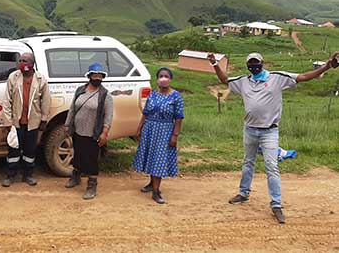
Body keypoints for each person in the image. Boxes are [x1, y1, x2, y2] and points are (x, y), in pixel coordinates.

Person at [208, 50, 339, 224]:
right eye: (251, 63)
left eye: (256, 62)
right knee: (248, 162)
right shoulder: (243, 82)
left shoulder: (277, 78)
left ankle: (276, 205)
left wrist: (326, 67)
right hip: (250, 129)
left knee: (271, 166)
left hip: (269, 131)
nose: (254, 65)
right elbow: (224, 80)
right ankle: (243, 193)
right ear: (248, 65)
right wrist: (214, 64)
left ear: (262, 63)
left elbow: (304, 76)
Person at [133, 67, 184, 205]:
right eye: (161, 76)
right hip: (150, 128)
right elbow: (146, 112)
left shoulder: (176, 96)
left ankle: (156, 191)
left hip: (165, 130)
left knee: (159, 160)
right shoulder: (153, 94)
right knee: (151, 156)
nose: (163, 78)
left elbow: (179, 117)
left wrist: (175, 135)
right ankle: (151, 183)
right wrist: (139, 128)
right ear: (157, 79)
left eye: (166, 76)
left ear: (170, 79)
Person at [64, 62, 113, 200]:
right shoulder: (81, 90)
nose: (97, 78)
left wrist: (104, 133)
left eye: (100, 76)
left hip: (93, 133)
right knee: (78, 154)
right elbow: (72, 108)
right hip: (78, 130)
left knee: (91, 159)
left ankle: (92, 185)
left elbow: (108, 116)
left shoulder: (105, 95)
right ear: (89, 76)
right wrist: (67, 125)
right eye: (95, 75)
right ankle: (76, 177)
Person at [1, 52, 51, 187]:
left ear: (32, 64)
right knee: (13, 150)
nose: (22, 63)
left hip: (33, 123)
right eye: (21, 61)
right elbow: (7, 100)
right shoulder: (14, 77)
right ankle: (10, 175)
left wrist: (44, 119)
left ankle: (28, 175)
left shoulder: (41, 79)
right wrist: (8, 122)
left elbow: (46, 101)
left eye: (25, 61)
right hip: (16, 123)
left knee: (29, 150)